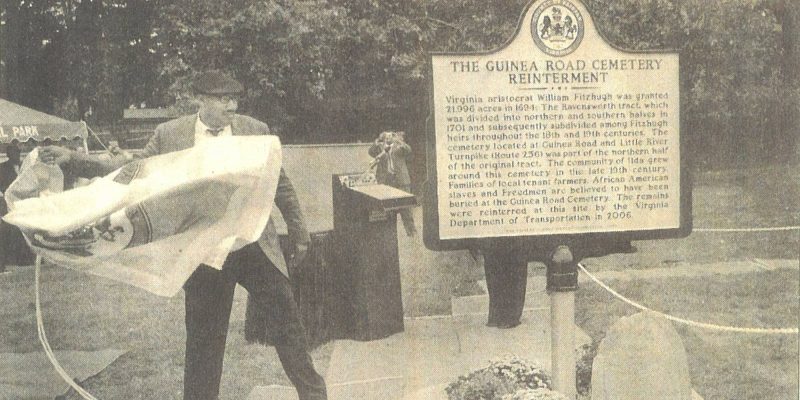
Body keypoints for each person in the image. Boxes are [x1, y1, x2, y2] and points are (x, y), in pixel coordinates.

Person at [40, 71, 327, 400]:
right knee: (204, 344)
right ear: (200, 100)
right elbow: (132, 170)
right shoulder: (169, 134)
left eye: (234, 99)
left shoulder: (255, 130)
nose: (232, 106)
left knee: (288, 326)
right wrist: (77, 160)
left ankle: (316, 395)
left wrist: (299, 230)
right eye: (223, 100)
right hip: (204, 251)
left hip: (253, 246)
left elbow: (281, 183)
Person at [368, 130, 417, 236]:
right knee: (387, 209)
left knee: (406, 208)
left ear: (393, 137)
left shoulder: (399, 147)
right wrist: (376, 141)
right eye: (386, 136)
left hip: (401, 180)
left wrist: (399, 141)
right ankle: (389, 234)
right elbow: (371, 152)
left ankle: (411, 233)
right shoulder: (380, 148)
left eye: (391, 136)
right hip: (386, 181)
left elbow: (408, 150)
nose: (388, 138)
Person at [0, 142, 22, 272]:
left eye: (18, 152)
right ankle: (11, 258)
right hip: (8, 203)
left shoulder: (24, 165)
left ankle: (23, 258)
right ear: (8, 154)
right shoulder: (2, 168)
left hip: (22, 202)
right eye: (14, 153)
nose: (17, 155)